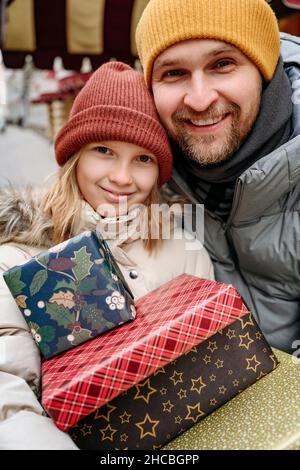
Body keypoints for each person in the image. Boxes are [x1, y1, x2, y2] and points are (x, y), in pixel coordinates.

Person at [0, 61, 214, 449]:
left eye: (143, 159)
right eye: (104, 150)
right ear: (74, 156)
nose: (122, 177)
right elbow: (9, 402)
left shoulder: (186, 252)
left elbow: (211, 368)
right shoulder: (15, 260)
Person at [135, 0, 300, 354]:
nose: (199, 98)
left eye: (222, 64)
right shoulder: (141, 179)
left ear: (265, 69)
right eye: (174, 73)